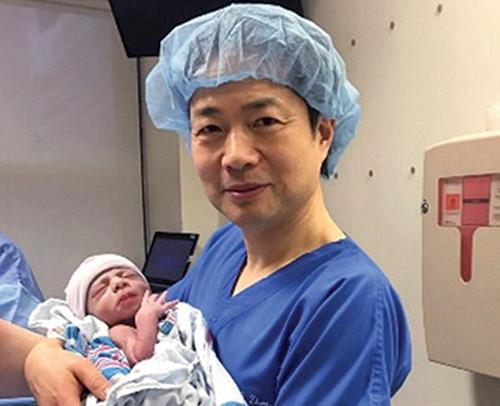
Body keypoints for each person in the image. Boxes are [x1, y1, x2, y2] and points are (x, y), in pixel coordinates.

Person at [0, 4, 412, 405]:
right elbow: (153, 326)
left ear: (322, 133)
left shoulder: (345, 301)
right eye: (210, 128)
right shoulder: (226, 247)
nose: (235, 156)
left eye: (264, 121)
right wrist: (49, 353)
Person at [29, 253, 245, 405]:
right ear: (89, 314)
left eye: (127, 276)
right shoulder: (117, 331)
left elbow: (200, 348)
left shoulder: (175, 313)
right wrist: (146, 319)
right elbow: (141, 355)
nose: (118, 283)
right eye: (102, 289)